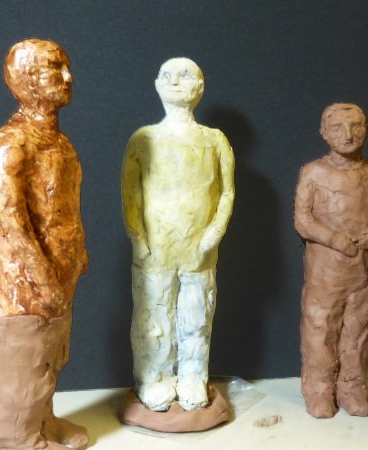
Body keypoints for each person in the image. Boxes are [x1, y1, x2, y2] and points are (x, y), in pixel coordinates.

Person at [0, 38, 88, 450]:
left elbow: (65, 206)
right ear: (26, 80)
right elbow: (8, 221)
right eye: (55, 68)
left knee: (48, 360)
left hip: (58, 279)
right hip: (20, 288)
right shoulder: (10, 144)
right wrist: (41, 278)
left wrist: (76, 255)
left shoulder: (60, 142)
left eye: (67, 65)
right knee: (22, 367)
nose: (68, 76)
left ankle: (41, 423)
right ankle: (16, 438)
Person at [122, 57, 235, 412]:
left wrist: (214, 232)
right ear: (157, 84)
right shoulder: (144, 138)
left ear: (199, 87)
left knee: (196, 312)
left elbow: (227, 192)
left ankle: (192, 376)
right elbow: (131, 193)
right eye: (166, 75)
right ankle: (154, 377)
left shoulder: (214, 140)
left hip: (198, 249)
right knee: (153, 313)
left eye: (185, 75)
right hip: (155, 247)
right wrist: (138, 237)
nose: (174, 81)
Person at [294, 103, 368, 418]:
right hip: (325, 269)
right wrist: (335, 240)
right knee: (321, 328)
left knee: (358, 330)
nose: (348, 135)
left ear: (367, 130)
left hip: (364, 269)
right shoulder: (313, 172)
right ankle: (319, 390)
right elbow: (302, 221)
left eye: (356, 126)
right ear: (324, 133)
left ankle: (352, 388)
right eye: (338, 127)